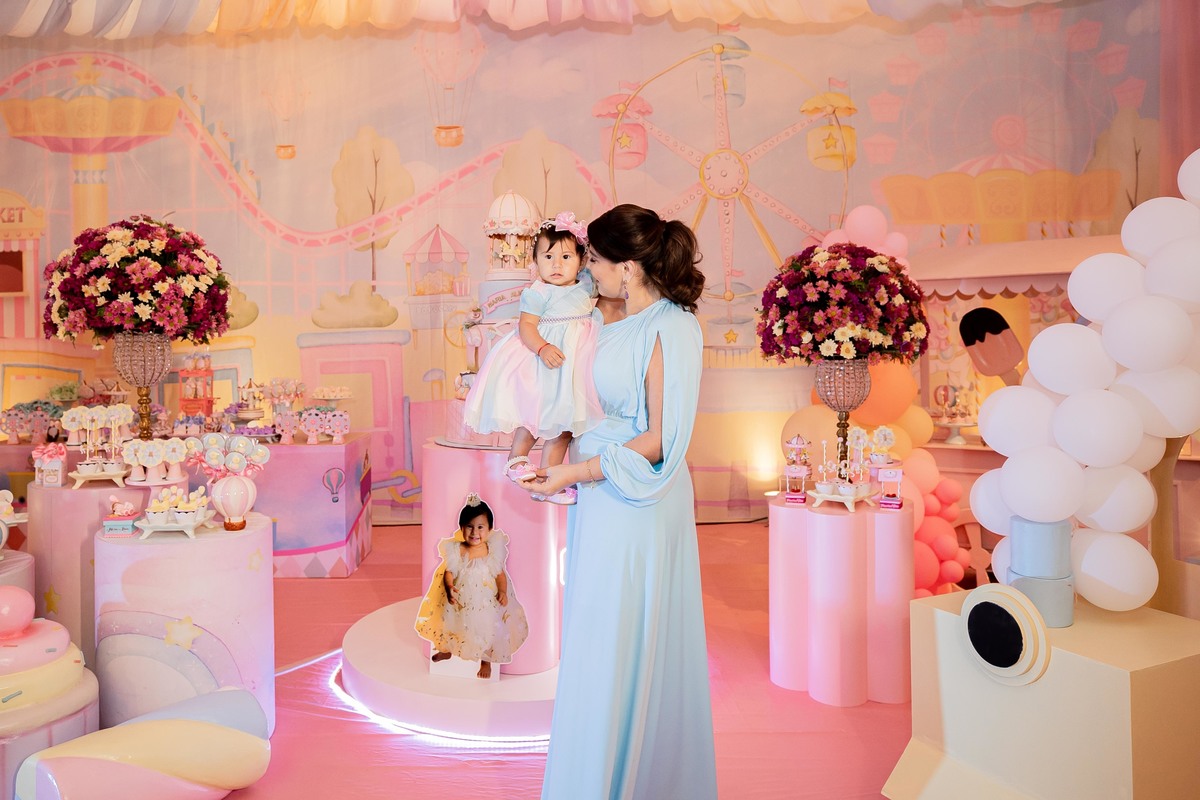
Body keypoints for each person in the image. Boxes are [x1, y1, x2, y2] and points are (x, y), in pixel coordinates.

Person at [526, 204, 717, 799]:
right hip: (601, 496)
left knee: (621, 639)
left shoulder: (673, 327)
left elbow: (661, 439)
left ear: (629, 267)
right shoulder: (608, 319)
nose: (589, 270)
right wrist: (557, 452)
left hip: (636, 499)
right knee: (596, 640)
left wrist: (577, 471)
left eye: (596, 261)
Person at [464, 212, 603, 505]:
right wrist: (542, 347)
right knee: (534, 415)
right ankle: (516, 459)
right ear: (535, 261)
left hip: (573, 368)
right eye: (548, 257)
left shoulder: (586, 284)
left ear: (581, 260)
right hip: (545, 362)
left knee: (563, 428)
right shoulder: (538, 292)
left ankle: (548, 480)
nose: (556, 265)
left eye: (566, 257)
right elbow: (526, 327)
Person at [413, 493, 529, 679]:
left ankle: (486, 660)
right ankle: (447, 650)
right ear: (461, 528)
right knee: (453, 624)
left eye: (480, 527)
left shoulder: (491, 550)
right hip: (461, 599)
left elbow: (500, 574)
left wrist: (502, 591)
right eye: (469, 526)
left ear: (489, 529)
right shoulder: (457, 549)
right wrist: (449, 588)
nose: (475, 532)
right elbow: (449, 572)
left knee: (487, 628)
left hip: (485, 601)